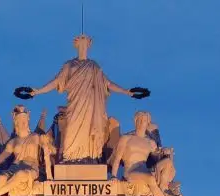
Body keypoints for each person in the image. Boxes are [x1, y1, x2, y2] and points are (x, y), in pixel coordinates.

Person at [15, 34, 148, 163]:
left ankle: (89, 158)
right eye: (81, 40)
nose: (83, 44)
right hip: (75, 104)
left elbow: (107, 83)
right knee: (71, 131)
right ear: (76, 44)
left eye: (86, 41)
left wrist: (125, 91)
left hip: (90, 105)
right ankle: (70, 158)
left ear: (89, 44)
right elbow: (56, 82)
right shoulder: (69, 65)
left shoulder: (94, 66)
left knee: (89, 131)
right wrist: (38, 91)